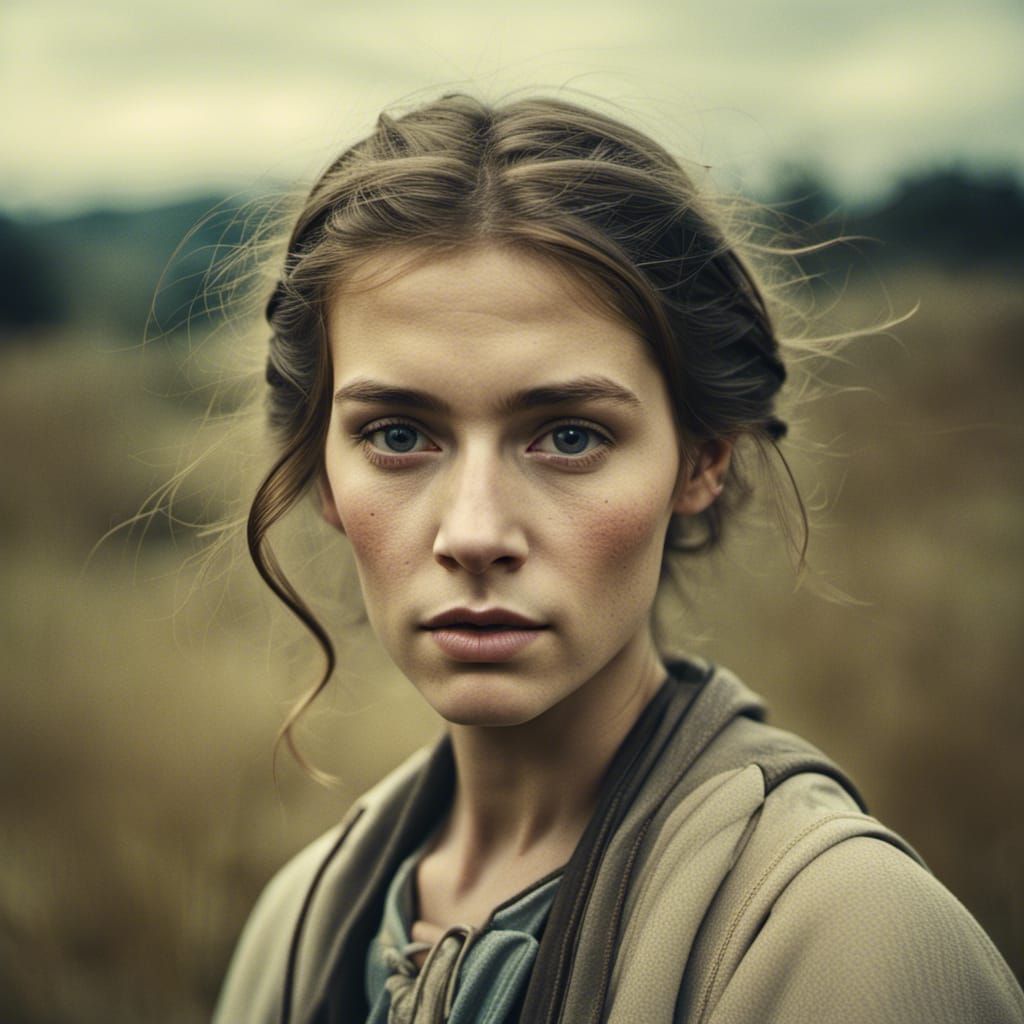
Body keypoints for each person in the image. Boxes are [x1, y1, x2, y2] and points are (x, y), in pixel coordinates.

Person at [212, 94, 1023, 1023]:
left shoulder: (852, 945)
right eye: (398, 433)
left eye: (567, 436)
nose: (474, 533)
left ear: (701, 457)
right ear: (320, 467)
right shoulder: (293, 932)